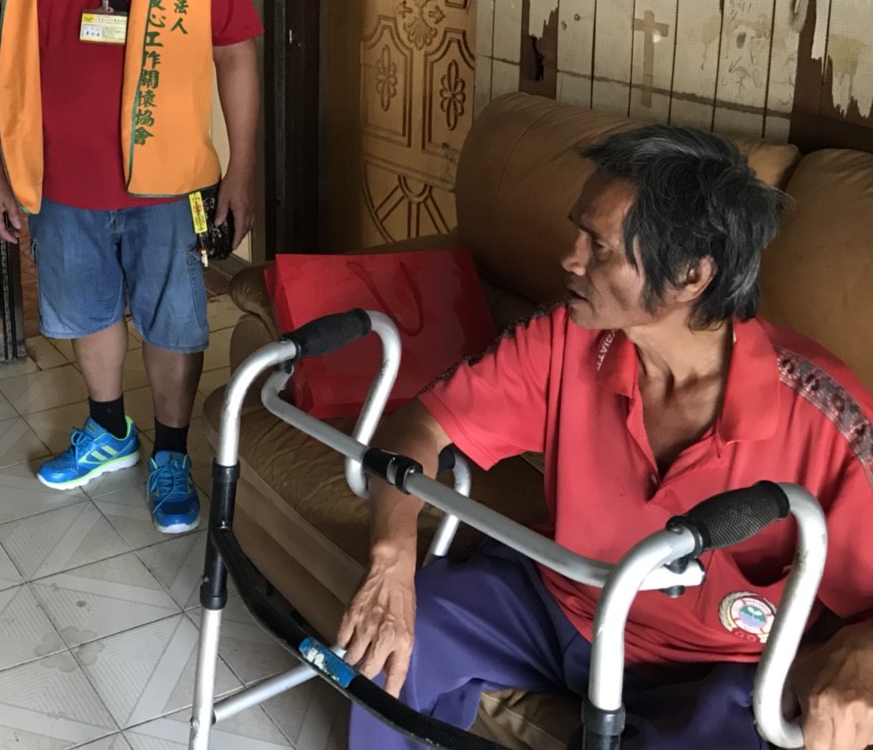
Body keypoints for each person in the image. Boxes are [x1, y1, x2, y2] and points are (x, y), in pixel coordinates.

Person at [337, 126, 873, 750]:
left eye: (598, 246)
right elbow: (421, 426)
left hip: (711, 668)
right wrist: (392, 558)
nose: (570, 259)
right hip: (558, 601)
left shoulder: (827, 417)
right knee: (396, 643)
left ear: (692, 275)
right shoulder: (566, 337)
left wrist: (863, 651)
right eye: (578, 234)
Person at [0, 0, 262, 534]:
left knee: (175, 319)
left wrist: (242, 170)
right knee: (89, 309)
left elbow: (235, 51)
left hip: (168, 178)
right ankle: (108, 429)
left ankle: (171, 452)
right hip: (59, 175)